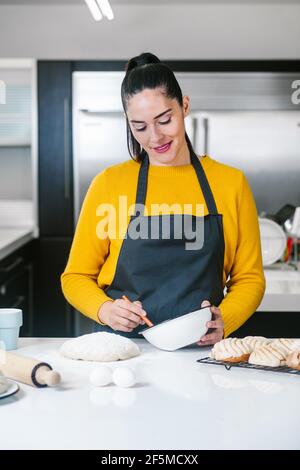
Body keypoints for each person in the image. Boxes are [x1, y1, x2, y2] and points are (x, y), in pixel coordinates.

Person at [61, 52, 265, 346]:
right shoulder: (109, 184)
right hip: (123, 350)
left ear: (184, 106)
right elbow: (75, 276)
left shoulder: (230, 183)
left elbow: (250, 278)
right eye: (140, 126)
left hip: (201, 353)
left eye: (164, 120)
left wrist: (225, 320)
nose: (155, 137)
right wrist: (105, 310)